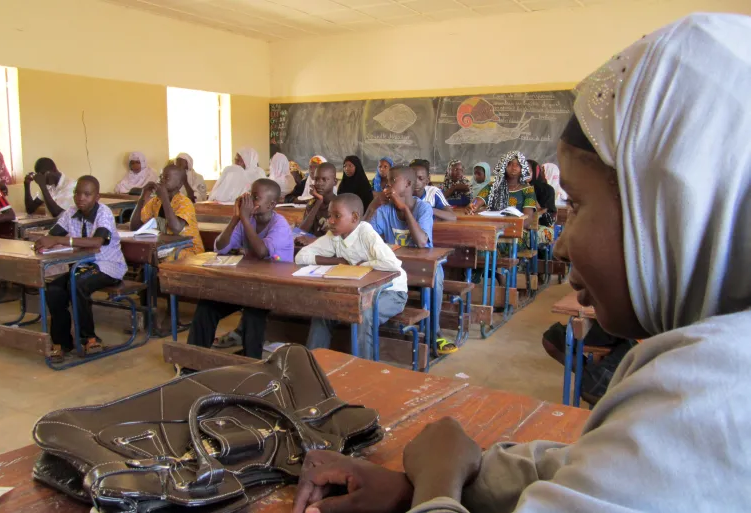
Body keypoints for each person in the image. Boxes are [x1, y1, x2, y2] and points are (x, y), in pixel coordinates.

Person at [292, 13, 751, 513]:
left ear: (675, 208)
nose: (559, 246)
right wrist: (413, 490)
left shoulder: (711, 406)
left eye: (575, 205)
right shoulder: (696, 367)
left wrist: (440, 485)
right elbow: (585, 468)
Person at [187, 179, 293, 358]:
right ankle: (193, 360)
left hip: (275, 287)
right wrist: (236, 217)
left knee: (253, 313)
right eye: (250, 195)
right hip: (247, 284)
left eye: (256, 198)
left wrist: (243, 218)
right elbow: (220, 247)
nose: (250, 201)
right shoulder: (247, 220)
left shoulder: (279, 225)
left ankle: (251, 366)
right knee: (207, 306)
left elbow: (261, 252)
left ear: (271, 204)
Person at [296, 193, 407, 359]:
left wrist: (360, 265)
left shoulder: (366, 234)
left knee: (364, 314)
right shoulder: (334, 236)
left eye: (337, 216)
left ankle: (363, 368)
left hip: (390, 293)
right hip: (358, 294)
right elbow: (301, 257)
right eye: (329, 216)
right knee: (323, 311)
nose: (330, 221)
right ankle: (312, 364)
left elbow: (392, 264)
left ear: (354, 217)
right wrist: (337, 260)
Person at [35, 176, 127, 363]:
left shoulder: (104, 213)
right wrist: (46, 241)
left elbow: (97, 242)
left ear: (97, 196)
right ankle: (62, 342)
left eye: (87, 194)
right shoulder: (70, 213)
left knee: (77, 283)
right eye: (77, 193)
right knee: (54, 289)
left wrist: (61, 240)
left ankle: (89, 338)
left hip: (108, 266)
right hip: (81, 266)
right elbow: (53, 235)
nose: (81, 198)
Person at [370, 166, 447, 351]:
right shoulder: (384, 210)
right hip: (394, 268)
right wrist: (373, 206)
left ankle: (434, 332)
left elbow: (421, 242)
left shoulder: (423, 208)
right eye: (387, 182)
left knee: (436, 275)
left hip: (420, 268)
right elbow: (367, 237)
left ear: (409, 184)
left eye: (393, 181)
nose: (388, 185)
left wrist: (404, 208)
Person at [131, 162, 204, 260]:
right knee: (142, 253)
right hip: (165, 246)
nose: (161, 180)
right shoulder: (156, 201)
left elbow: (176, 228)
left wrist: (164, 197)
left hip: (188, 249)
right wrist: (143, 196)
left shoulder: (184, 202)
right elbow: (135, 226)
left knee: (159, 257)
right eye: (161, 177)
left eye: (167, 178)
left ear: (179, 184)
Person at [467, 151, 537, 251]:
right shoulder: (492, 187)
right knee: (478, 243)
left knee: (487, 245)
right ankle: (486, 266)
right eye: (510, 164)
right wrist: (472, 206)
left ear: (522, 168)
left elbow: (527, 219)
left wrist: (507, 228)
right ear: (503, 166)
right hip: (491, 231)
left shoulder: (528, 190)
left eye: (517, 164)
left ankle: (489, 266)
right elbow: (476, 202)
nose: (514, 167)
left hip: (516, 235)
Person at [298, 162, 337, 239]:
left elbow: (335, 239)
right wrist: (318, 202)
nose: (319, 183)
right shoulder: (312, 203)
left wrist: (313, 240)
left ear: (334, 182)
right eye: (316, 179)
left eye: (324, 179)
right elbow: (301, 231)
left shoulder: (338, 205)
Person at [527, 159, 556, 245]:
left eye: (527, 171)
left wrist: (529, 192)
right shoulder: (515, 188)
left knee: (528, 236)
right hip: (520, 225)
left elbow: (546, 216)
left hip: (542, 225)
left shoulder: (547, 190)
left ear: (535, 172)